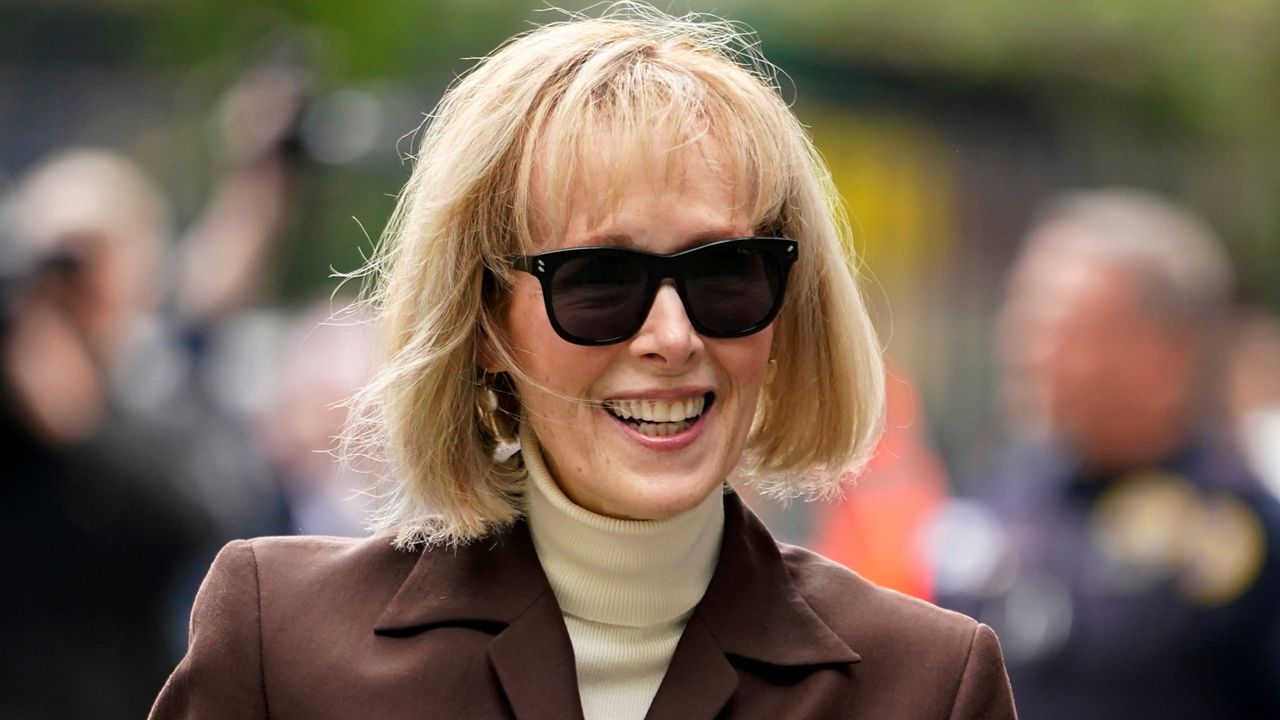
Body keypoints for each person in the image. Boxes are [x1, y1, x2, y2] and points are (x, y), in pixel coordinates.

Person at [151, 6, 1017, 719]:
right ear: (484, 321)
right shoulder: (279, 646)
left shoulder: (927, 684)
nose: (672, 336)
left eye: (724, 274)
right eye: (601, 280)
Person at [937, 189, 1280, 718]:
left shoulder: (1242, 531)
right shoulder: (997, 494)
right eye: (1023, 320)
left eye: (1062, 329)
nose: (1028, 349)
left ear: (1164, 355)